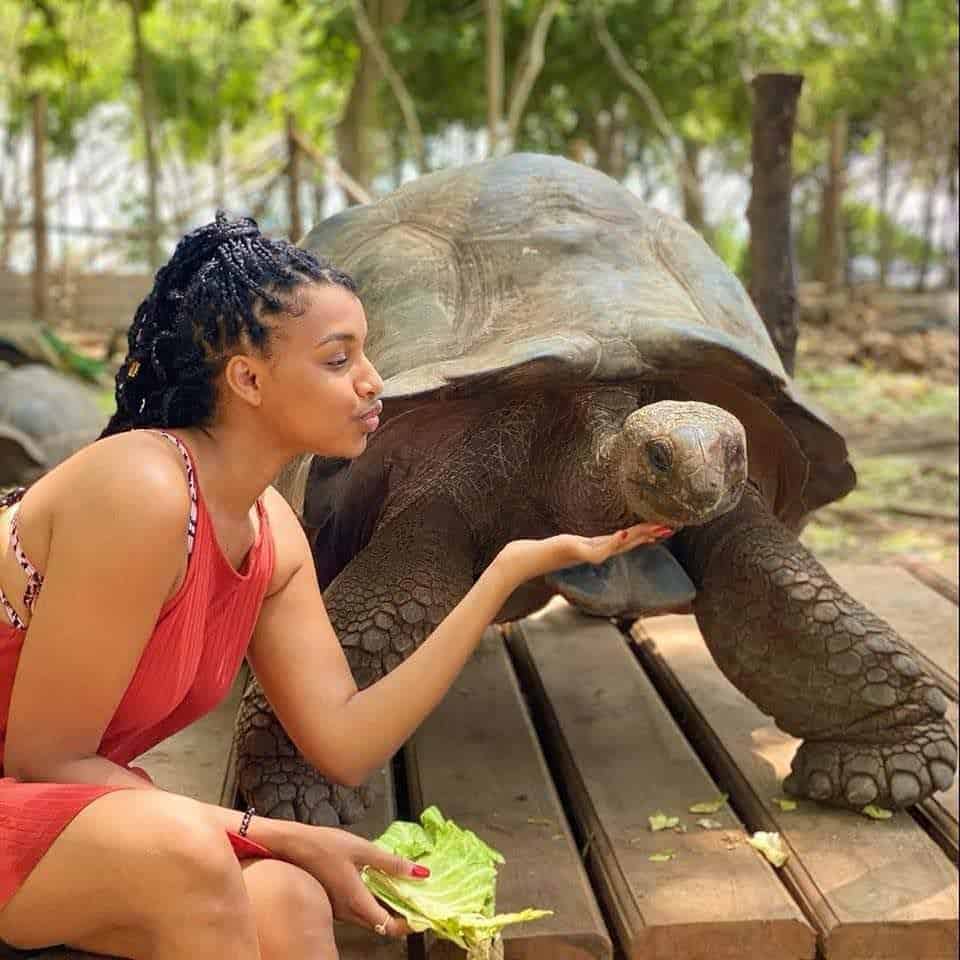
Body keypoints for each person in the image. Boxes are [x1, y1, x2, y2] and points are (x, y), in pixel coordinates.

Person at [0, 213, 670, 959]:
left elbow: (346, 742)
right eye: (337, 359)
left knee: (289, 899)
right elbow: (45, 761)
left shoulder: (270, 531)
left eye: (366, 353)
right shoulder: (141, 490)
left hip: (63, 818)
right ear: (248, 378)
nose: (372, 380)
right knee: (192, 855)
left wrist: (504, 571)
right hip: (35, 798)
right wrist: (276, 833)